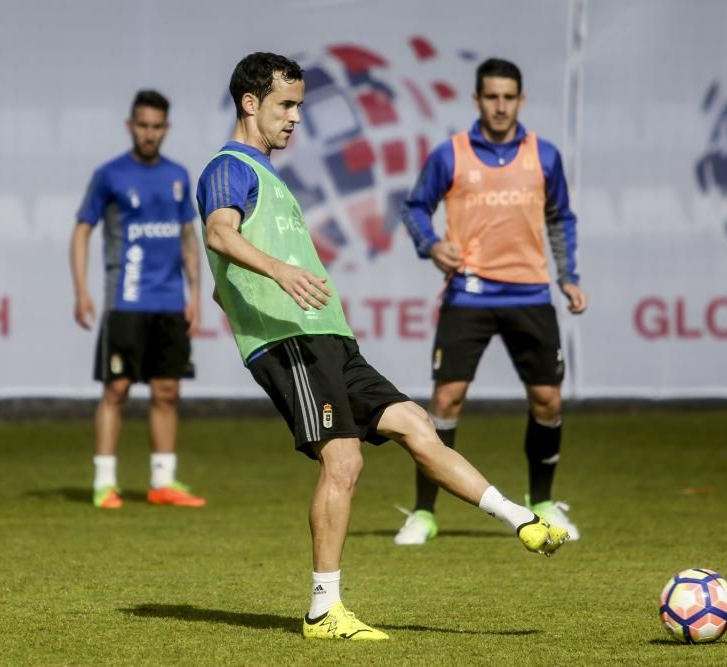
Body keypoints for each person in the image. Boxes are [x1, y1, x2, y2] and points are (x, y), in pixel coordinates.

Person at [196, 52, 569, 642]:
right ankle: (324, 610)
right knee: (344, 459)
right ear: (250, 103)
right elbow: (220, 233)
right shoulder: (227, 167)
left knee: (418, 425)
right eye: (285, 106)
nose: (295, 119)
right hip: (291, 340)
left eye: (299, 106)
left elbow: (224, 283)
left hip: (330, 339)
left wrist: (242, 293)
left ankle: (521, 519)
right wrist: (274, 276)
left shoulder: (268, 175)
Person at [396, 58, 588, 546]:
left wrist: (568, 277)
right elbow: (415, 207)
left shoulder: (544, 156)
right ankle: (423, 512)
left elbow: (560, 218)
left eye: (509, 97)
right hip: (469, 294)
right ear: (477, 99)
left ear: (520, 100)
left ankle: (543, 502)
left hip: (530, 293)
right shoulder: (451, 155)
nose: (500, 106)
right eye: (491, 97)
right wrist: (432, 245)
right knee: (444, 400)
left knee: (547, 399)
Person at [71, 89, 206, 510]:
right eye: (142, 125)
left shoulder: (179, 175)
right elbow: (82, 230)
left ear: (166, 128)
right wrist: (82, 290)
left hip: (169, 301)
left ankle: (162, 482)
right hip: (125, 301)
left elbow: (189, 236)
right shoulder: (109, 175)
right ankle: (104, 482)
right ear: (131, 126)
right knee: (117, 389)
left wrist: (196, 294)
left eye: (156, 127)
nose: (149, 134)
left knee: (167, 391)